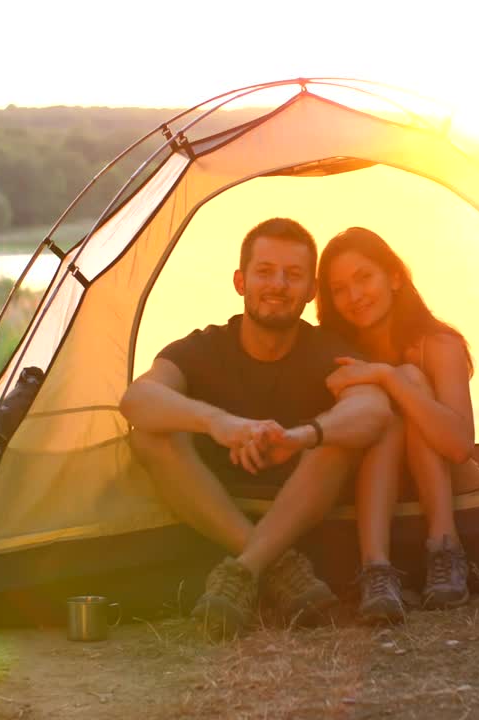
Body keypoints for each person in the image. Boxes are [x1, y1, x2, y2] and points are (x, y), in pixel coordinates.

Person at [119, 217, 391, 640]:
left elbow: (374, 409)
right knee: (149, 434)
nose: (278, 285)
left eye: (293, 275)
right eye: (265, 271)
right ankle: (278, 566)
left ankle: (245, 569)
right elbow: (136, 399)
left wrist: (302, 435)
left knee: (341, 437)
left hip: (302, 504)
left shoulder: (327, 350)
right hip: (218, 500)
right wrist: (219, 423)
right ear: (240, 281)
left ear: (311, 291)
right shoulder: (205, 347)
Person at [316, 226, 479, 624]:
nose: (355, 296)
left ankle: (445, 548)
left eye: (364, 277)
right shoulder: (335, 352)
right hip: (378, 486)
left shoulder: (438, 345)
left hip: (452, 481)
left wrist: (388, 377)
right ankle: (376, 570)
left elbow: (460, 446)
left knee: (408, 379)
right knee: (384, 415)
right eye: (339, 289)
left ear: (393, 277)